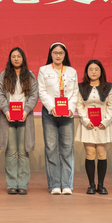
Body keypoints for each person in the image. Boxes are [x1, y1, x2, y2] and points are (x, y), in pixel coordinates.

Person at [38, 42, 79, 195]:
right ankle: (55, 184)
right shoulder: (43, 70)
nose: (58, 55)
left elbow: (75, 92)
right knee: (51, 148)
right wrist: (51, 107)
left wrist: (71, 109)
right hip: (50, 114)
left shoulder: (72, 71)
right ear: (51, 54)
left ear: (65, 55)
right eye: (55, 52)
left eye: (61, 53)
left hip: (67, 114)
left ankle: (67, 184)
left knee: (67, 148)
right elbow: (42, 91)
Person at [0, 48, 38, 195]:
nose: (16, 59)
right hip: (8, 117)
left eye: (19, 56)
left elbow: (34, 95)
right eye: (13, 56)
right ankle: (12, 184)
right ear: (10, 59)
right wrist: (6, 111)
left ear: (23, 58)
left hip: (25, 117)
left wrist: (25, 111)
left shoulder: (30, 75)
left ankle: (23, 184)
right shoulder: (4, 75)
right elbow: (0, 94)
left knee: (23, 151)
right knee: (10, 152)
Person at [75, 59, 112, 195]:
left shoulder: (108, 87)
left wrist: (106, 121)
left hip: (103, 125)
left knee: (102, 154)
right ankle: (91, 184)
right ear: (86, 72)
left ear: (101, 71)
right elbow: (79, 105)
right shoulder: (81, 87)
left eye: (96, 69)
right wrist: (85, 120)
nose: (93, 72)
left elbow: (111, 105)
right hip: (88, 125)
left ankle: (101, 185)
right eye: (91, 69)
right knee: (90, 154)